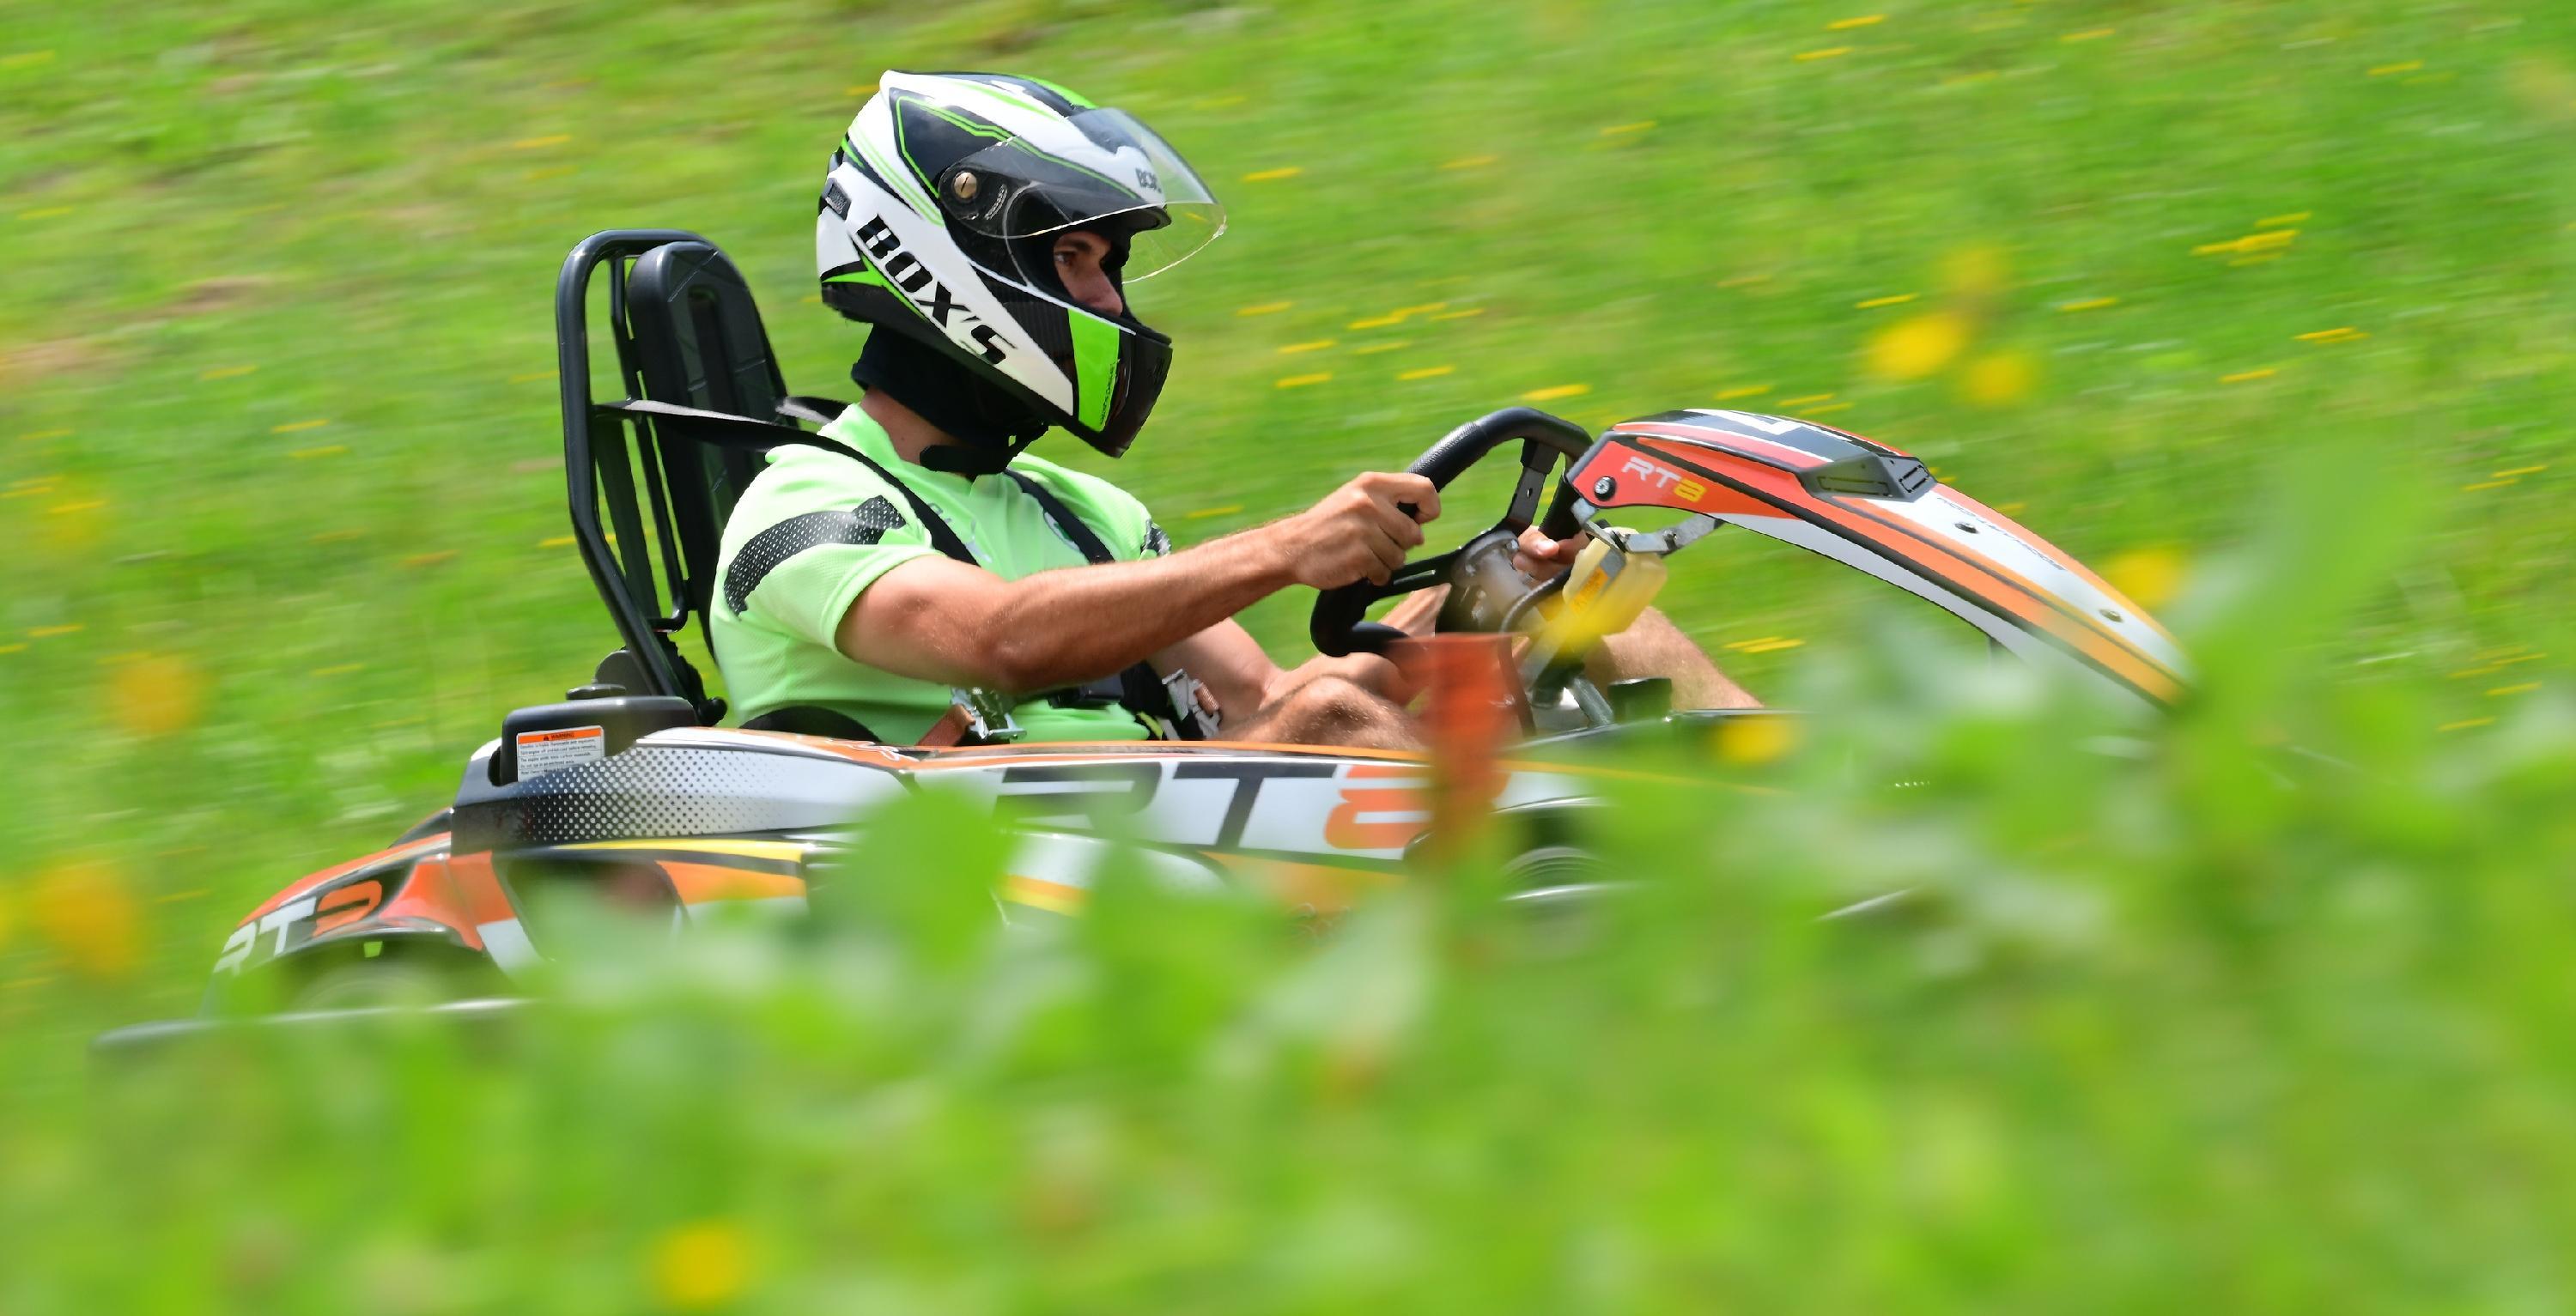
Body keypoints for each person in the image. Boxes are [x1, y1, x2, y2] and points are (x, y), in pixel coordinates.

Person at [711, 70, 1750, 750]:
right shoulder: (802, 507)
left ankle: (1808, 848)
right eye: (1074, 258)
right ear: (938, 259)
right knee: (1331, 721)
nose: (1109, 302)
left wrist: (1483, 602)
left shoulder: (1086, 512)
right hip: (1003, 898)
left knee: (1584, 616)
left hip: (1169, 848)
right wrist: (1287, 548)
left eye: (1110, 266)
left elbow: (1261, 704)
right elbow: (999, 641)